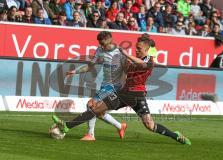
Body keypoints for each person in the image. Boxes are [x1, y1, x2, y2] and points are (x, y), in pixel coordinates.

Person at [52, 34, 191, 145]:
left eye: (139, 49)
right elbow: (127, 70)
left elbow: (142, 65)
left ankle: (176, 135)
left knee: (150, 125)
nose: (137, 50)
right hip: (123, 93)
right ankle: (67, 126)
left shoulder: (150, 61)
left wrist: (126, 55)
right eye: (136, 47)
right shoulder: (133, 60)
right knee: (95, 109)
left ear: (147, 49)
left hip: (137, 96)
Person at [60, 31, 127, 141]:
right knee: (100, 112)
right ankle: (120, 126)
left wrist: (124, 86)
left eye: (103, 44)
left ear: (110, 40)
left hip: (114, 86)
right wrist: (75, 71)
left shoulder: (120, 52)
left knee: (91, 104)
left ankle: (90, 134)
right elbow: (89, 66)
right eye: (100, 44)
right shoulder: (99, 50)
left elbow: (126, 70)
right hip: (105, 85)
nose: (101, 46)